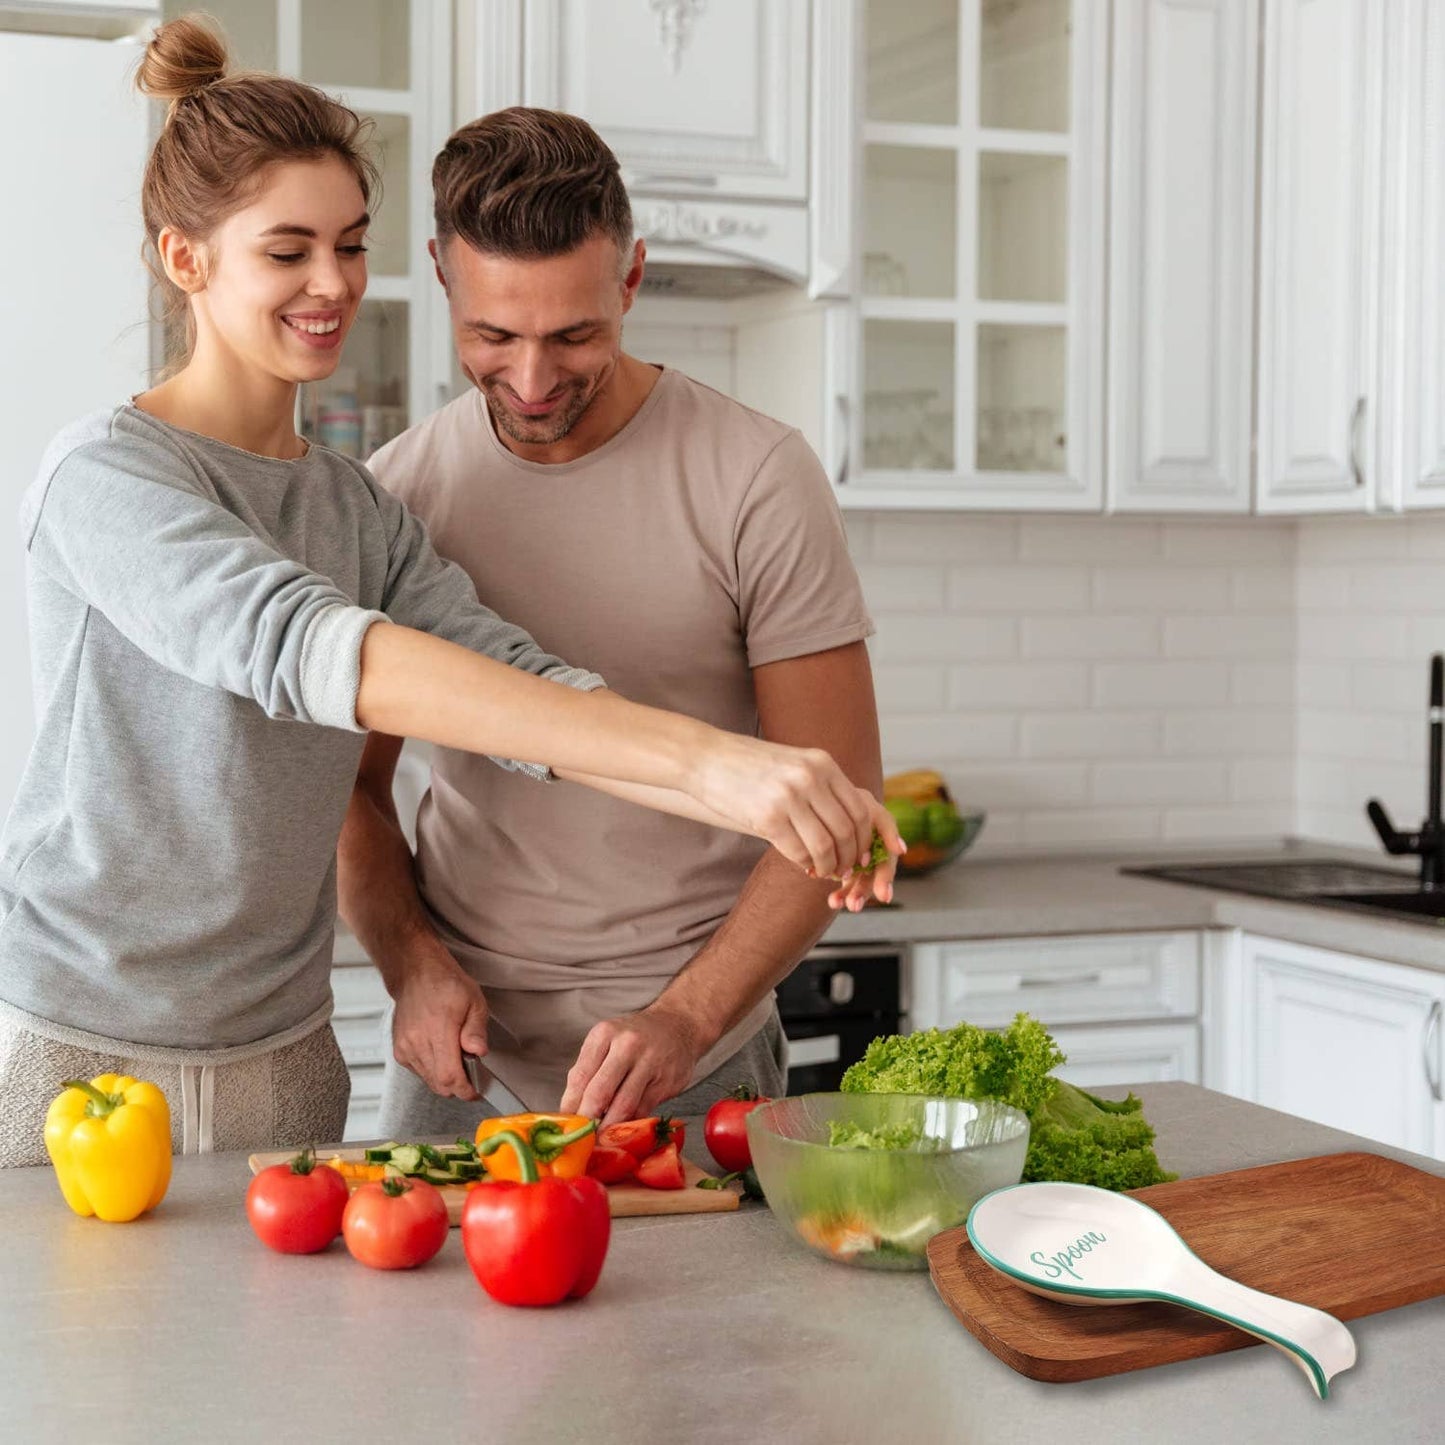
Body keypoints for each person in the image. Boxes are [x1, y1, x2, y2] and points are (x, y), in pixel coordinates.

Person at [0, 19, 899, 1169]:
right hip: (84, 1040)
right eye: (287, 251)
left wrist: (772, 796)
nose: (330, 284)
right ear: (187, 260)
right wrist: (716, 765)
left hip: (283, 1046)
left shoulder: (357, 510)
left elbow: (524, 686)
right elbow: (311, 646)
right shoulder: (105, 474)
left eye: (346, 245)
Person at [337, 107, 889, 1132]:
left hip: (696, 1062)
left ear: (630, 278)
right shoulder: (396, 493)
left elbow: (842, 797)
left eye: (574, 334)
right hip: (459, 1065)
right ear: (442, 278)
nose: (533, 380)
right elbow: (346, 796)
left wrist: (684, 1016)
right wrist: (410, 965)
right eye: (492, 334)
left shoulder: (755, 478)